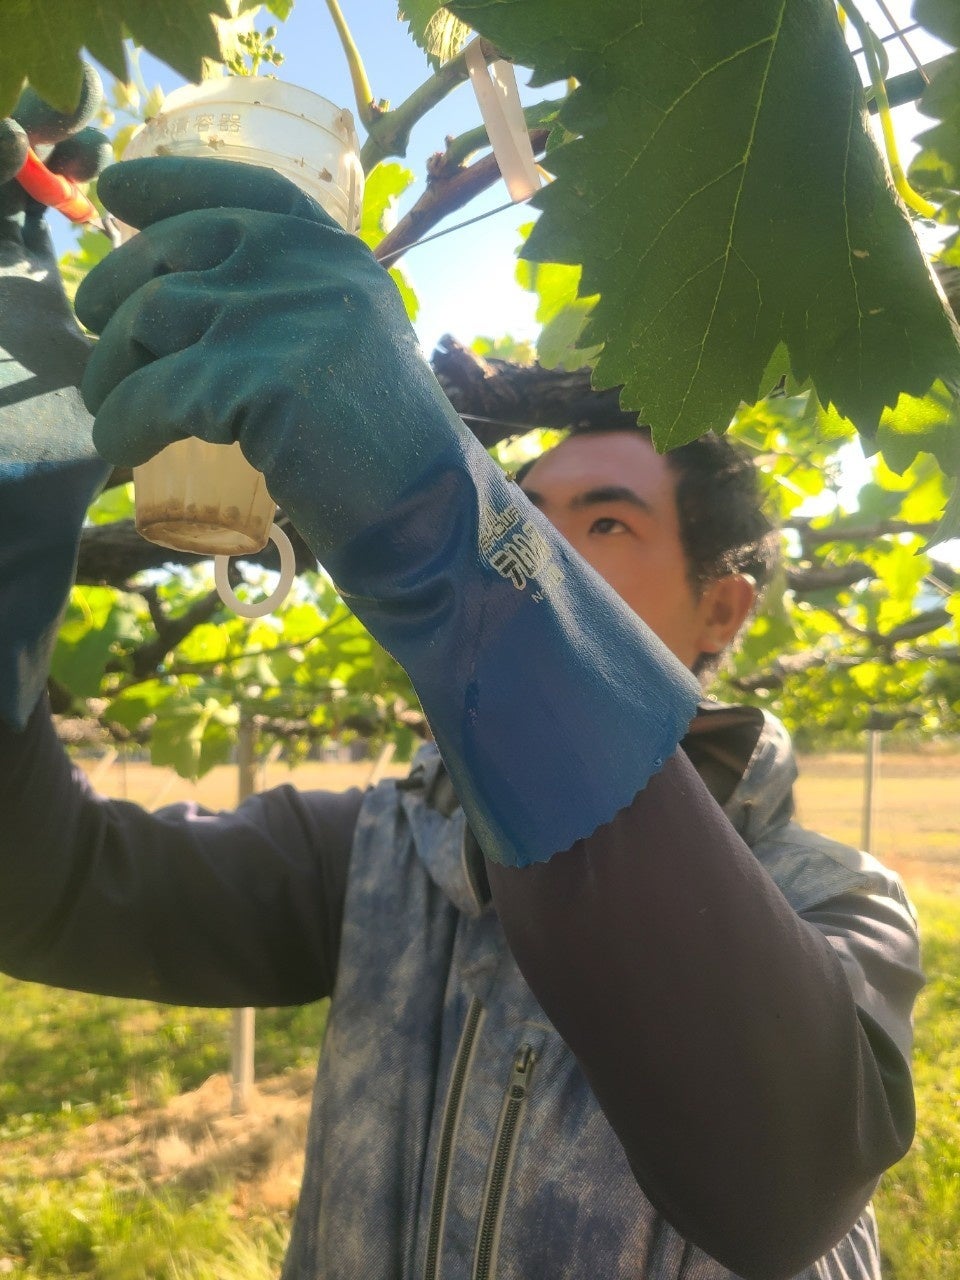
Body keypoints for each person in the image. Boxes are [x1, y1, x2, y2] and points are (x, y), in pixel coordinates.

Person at [0, 96, 922, 1280]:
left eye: (605, 522)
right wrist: (17, 513)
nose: (541, 551)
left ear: (725, 608)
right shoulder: (387, 854)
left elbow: (781, 1184)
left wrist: (442, 529)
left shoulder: (836, 900)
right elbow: (45, 887)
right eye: (522, 514)